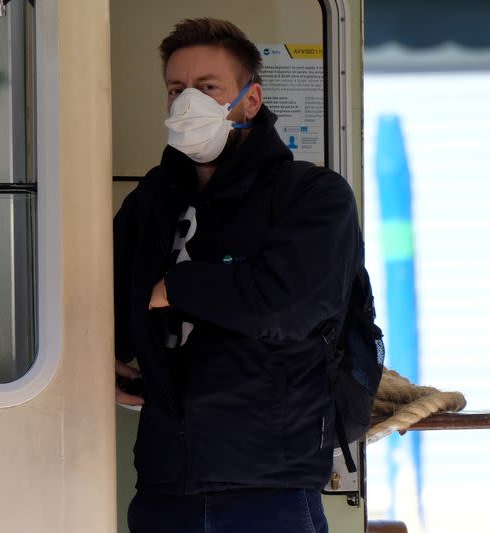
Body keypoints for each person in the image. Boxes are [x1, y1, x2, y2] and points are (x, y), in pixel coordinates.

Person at [113, 19, 362, 532]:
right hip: (164, 485)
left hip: (269, 485)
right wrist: (101, 362)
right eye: (176, 90)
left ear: (251, 100)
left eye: (207, 89)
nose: (188, 104)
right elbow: (108, 299)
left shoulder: (313, 196)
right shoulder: (151, 201)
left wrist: (175, 287)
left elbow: (287, 304)